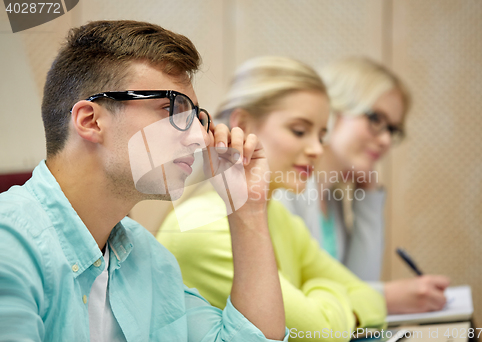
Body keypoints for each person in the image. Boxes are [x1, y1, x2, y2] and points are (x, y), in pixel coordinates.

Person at [0, 20, 288, 341]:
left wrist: (246, 207)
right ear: (91, 121)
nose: (201, 138)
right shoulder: (10, 245)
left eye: (196, 117)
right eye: (171, 110)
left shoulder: (146, 257)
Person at [157, 56, 387, 341]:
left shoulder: (278, 215)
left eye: (322, 135)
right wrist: (326, 290)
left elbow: (371, 299)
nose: (316, 149)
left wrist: (321, 303)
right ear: (242, 124)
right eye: (299, 131)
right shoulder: (203, 226)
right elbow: (319, 333)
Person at [277, 56, 450, 314]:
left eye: (392, 129)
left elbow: (359, 285)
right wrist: (386, 299)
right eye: (376, 120)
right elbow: (288, 304)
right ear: (332, 110)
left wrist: (368, 197)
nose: (385, 141)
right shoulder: (284, 189)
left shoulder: (331, 198)